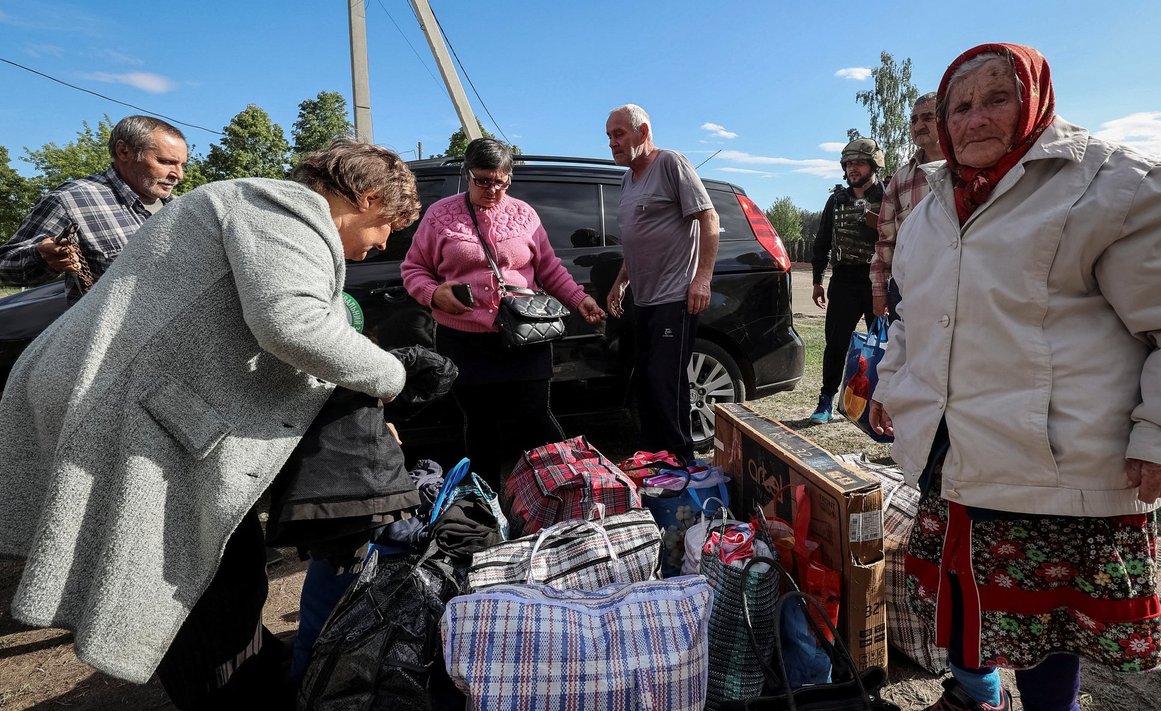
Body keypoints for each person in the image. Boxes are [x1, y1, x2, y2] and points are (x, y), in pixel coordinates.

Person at [0, 137, 422, 709]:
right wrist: (392, 373)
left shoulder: (253, 207)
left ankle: (242, 672)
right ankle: (231, 694)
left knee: (212, 560)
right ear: (368, 198)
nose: (379, 246)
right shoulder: (285, 211)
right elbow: (290, 323)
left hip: (130, 393)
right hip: (125, 403)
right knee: (193, 569)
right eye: (387, 229)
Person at [869, 43, 1161, 711]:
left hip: (1050, 458)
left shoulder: (1112, 185)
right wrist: (891, 385)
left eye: (997, 97)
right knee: (960, 595)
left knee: (1046, 623)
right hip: (954, 447)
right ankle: (974, 696)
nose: (974, 118)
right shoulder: (932, 205)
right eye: (960, 105)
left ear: (1037, 100)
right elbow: (911, 315)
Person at [401, 137, 605, 486]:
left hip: (526, 335)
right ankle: (489, 505)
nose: (492, 189)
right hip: (464, 340)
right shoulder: (440, 215)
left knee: (537, 418)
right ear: (468, 174)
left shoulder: (525, 214)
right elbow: (413, 269)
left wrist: (578, 298)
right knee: (480, 424)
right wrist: (435, 293)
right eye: (483, 180)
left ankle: (566, 491)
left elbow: (550, 268)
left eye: (501, 181)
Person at [603, 103, 719, 462]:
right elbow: (637, 238)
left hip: (675, 296)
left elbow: (709, 219)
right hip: (644, 299)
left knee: (666, 382)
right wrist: (621, 281)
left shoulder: (670, 163)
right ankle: (654, 460)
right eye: (609, 137)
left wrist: (701, 279)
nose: (612, 143)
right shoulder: (627, 179)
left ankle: (682, 462)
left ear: (644, 132)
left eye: (619, 134)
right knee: (647, 384)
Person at [0, 115, 188, 303]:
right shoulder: (71, 200)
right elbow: (4, 266)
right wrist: (41, 258)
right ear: (124, 152)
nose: (178, 175)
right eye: (166, 162)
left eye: (182, 165)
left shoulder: (184, 209)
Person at [809, 138, 885, 423]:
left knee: (884, 345)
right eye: (849, 164)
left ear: (873, 165)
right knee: (836, 344)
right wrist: (817, 280)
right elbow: (822, 242)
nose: (853, 169)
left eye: (859, 163)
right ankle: (826, 399)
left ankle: (882, 403)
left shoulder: (889, 196)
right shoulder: (837, 200)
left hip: (878, 280)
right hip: (844, 281)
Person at [871, 92, 944, 322]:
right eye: (914, 120)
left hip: (959, 288)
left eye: (927, 118)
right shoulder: (901, 179)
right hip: (906, 290)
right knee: (906, 355)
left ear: (947, 119)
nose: (919, 125)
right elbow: (885, 239)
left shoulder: (969, 169)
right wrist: (880, 290)